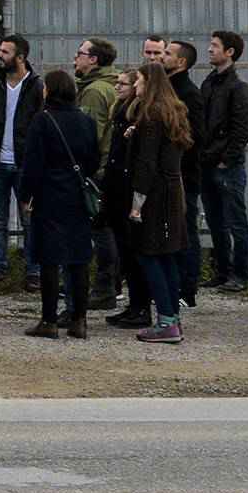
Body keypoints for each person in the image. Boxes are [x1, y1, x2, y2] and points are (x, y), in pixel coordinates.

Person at [22, 69, 98, 340]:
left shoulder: (43, 121)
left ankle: (49, 319)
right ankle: (80, 319)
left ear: (50, 91)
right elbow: (94, 161)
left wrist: (26, 195)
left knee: (50, 259)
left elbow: (32, 163)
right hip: (77, 196)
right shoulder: (86, 122)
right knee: (78, 259)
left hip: (49, 195)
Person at [124, 64, 191, 343]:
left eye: (138, 81)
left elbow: (147, 162)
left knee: (149, 254)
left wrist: (137, 201)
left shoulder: (151, 115)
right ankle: (172, 316)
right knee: (166, 255)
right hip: (172, 190)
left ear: (149, 83)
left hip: (156, 194)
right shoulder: (173, 111)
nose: (135, 86)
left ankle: (166, 321)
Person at [0, 34, 43, 289]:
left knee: (30, 219)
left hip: (24, 164)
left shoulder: (36, 87)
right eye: (0, 50)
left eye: (5, 52)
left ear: (20, 57)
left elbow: (40, 125)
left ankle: (34, 272)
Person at [196, 29, 248, 292]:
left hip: (226, 166)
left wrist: (226, 159)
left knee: (235, 221)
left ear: (229, 52)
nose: (209, 49)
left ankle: (240, 274)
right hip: (207, 162)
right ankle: (222, 271)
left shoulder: (238, 88)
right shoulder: (209, 83)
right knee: (215, 221)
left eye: (215, 45)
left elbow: (241, 129)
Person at [73, 38, 122, 310]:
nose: (75, 59)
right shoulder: (111, 86)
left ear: (93, 60)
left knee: (101, 231)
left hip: (98, 171)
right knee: (109, 230)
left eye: (80, 54)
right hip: (109, 166)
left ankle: (104, 289)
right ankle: (111, 286)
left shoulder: (94, 91)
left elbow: (89, 135)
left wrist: (86, 170)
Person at [101, 70, 152, 329]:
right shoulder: (120, 109)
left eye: (124, 83)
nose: (118, 86)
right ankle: (133, 305)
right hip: (116, 183)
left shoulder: (138, 112)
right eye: (117, 82)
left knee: (133, 251)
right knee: (124, 249)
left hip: (126, 186)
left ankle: (141, 306)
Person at [166, 40, 206, 305]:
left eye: (167, 53)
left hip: (183, 174)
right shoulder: (169, 89)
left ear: (181, 62)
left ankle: (187, 288)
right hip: (171, 173)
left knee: (185, 230)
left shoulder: (188, 94)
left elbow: (195, 138)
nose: (161, 57)